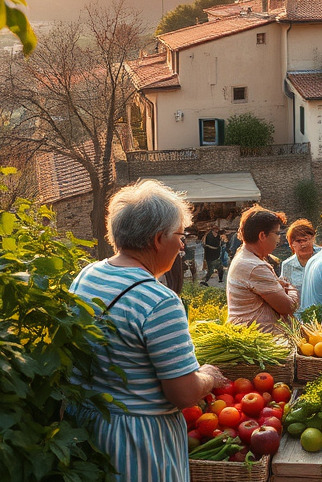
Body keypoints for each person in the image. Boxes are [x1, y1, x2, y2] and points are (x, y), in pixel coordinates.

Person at [67, 179, 227, 482]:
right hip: (137, 443)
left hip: (86, 429)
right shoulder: (158, 301)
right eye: (180, 236)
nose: (182, 245)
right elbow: (183, 393)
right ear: (157, 239)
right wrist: (207, 376)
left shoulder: (87, 275)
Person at [225, 206, 299, 332]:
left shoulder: (246, 256)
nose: (278, 238)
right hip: (259, 339)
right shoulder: (255, 266)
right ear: (262, 235)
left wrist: (279, 286)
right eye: (277, 233)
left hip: (251, 336)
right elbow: (288, 307)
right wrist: (290, 287)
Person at [280, 219, 320, 298]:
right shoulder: (287, 266)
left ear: (313, 239)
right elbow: (285, 292)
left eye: (305, 240)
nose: (303, 245)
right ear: (291, 244)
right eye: (298, 241)